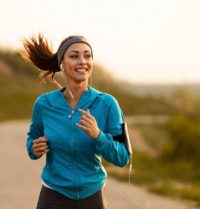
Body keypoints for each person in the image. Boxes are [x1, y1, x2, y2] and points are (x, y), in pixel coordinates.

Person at [23, 34, 131, 209]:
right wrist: (34, 148)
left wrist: (98, 136)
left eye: (87, 56)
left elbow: (123, 157)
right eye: (74, 56)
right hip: (53, 194)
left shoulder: (107, 103)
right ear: (61, 64)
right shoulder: (44, 104)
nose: (82, 61)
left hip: (92, 196)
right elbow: (32, 140)